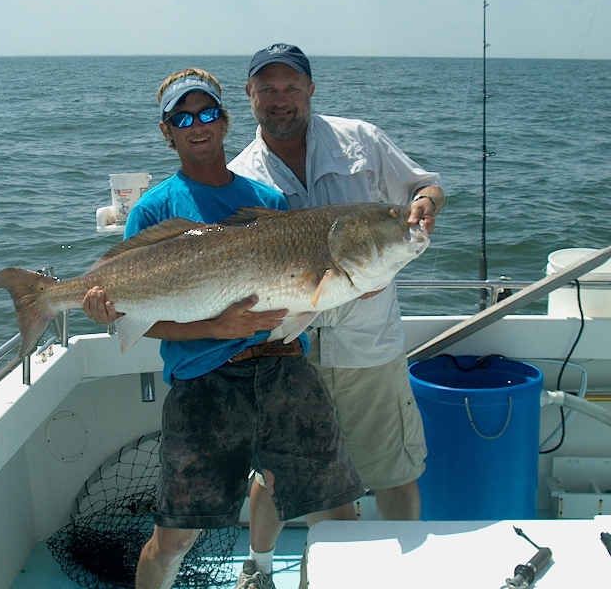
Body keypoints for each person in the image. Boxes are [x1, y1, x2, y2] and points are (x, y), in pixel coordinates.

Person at [82, 68, 363, 589]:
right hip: (204, 384)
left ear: (226, 120)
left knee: (338, 514)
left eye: (208, 112)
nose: (198, 125)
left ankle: (262, 570)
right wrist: (216, 326)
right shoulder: (154, 209)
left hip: (283, 369)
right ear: (167, 132)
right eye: (182, 118)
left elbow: (306, 290)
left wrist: (353, 280)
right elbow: (144, 320)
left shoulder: (268, 201)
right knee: (173, 539)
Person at [228, 43, 445, 582]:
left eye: (292, 88)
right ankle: (261, 568)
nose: (282, 100)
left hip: (367, 349)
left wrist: (425, 205)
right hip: (285, 356)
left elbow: (424, 185)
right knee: (279, 475)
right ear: (250, 95)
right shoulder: (239, 175)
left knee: (392, 471)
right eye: (268, 89)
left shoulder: (361, 139)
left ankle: (404, 570)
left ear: (311, 90)